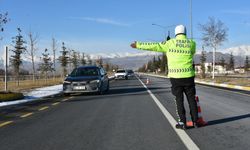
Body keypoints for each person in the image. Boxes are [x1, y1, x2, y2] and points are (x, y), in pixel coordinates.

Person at [131, 25, 204, 129]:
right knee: (191, 99)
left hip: (175, 77)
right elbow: (191, 52)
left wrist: (138, 44)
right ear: (185, 32)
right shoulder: (192, 43)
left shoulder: (169, 43)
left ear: (175, 33)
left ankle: (182, 123)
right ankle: (196, 121)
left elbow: (154, 46)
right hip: (188, 76)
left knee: (179, 99)